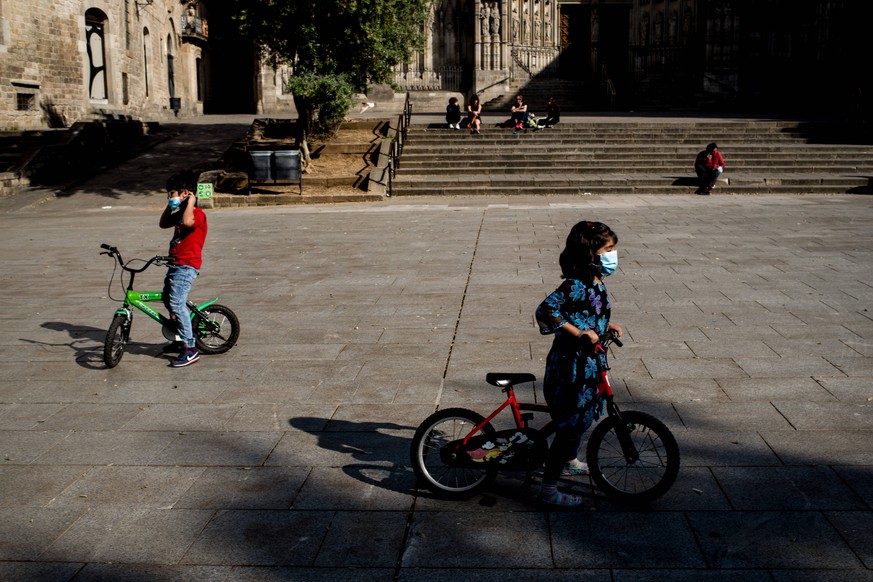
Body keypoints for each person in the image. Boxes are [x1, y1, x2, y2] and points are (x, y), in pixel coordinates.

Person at [534, 220, 623, 506]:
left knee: (583, 416)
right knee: (570, 423)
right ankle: (548, 489)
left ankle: (570, 460)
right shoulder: (575, 284)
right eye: (608, 248)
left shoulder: (596, 281)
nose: (613, 254)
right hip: (570, 365)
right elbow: (546, 310)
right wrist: (579, 333)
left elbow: (589, 312)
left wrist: (605, 325)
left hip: (589, 362)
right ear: (591, 253)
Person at [159, 171, 208, 367]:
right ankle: (180, 337)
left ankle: (190, 349)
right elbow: (163, 223)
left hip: (186, 266)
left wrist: (190, 203)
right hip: (175, 264)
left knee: (177, 304)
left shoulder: (197, 214)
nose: (170, 198)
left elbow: (188, 222)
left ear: (185, 193)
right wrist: (171, 205)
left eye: (172, 194)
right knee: (167, 298)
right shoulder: (179, 213)